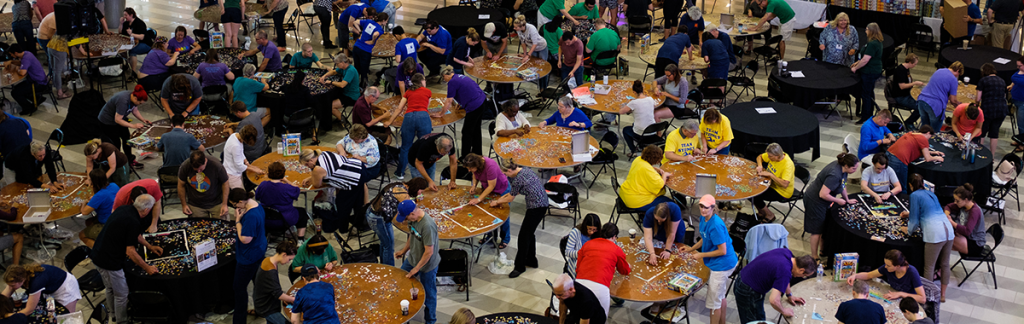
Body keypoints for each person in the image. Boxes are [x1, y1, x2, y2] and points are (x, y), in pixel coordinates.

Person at [90, 194, 162, 323]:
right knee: (122, 294)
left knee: (110, 288)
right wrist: (147, 268)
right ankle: (122, 321)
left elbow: (135, 235)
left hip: (97, 254)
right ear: (146, 210)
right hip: (110, 261)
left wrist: (149, 246)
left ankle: (112, 314)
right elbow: (131, 252)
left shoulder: (124, 209)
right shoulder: (133, 221)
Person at [487, 158, 546, 278]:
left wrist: (497, 202)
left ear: (509, 170)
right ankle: (531, 260)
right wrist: (499, 200)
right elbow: (513, 193)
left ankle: (520, 267)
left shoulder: (518, 179)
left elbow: (510, 198)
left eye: (505, 173)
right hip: (542, 203)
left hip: (536, 207)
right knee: (530, 234)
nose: (504, 175)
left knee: (523, 237)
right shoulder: (525, 170)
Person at [683, 195, 737, 324]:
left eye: (706, 207)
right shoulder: (704, 218)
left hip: (723, 265)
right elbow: (704, 238)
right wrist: (691, 249)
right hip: (720, 262)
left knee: (714, 303)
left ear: (713, 208)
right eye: (701, 206)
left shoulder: (716, 225)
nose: (703, 210)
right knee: (720, 297)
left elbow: (722, 251)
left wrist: (700, 255)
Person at [902, 173, 954, 301]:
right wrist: (908, 214)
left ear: (910, 185)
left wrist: (907, 230)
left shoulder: (914, 195)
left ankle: (928, 296)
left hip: (935, 234)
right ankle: (942, 295)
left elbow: (914, 221)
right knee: (945, 264)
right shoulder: (931, 194)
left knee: (929, 266)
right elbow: (928, 211)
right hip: (948, 230)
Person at [802, 153, 859, 261]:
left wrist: (847, 200)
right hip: (815, 201)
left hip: (823, 201)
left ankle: (823, 249)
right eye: (854, 168)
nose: (855, 170)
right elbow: (823, 194)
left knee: (824, 225)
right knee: (817, 230)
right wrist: (838, 200)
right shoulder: (834, 174)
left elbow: (842, 185)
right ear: (846, 166)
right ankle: (814, 256)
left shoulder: (843, 169)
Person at [734, 248, 813, 323]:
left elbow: (786, 279)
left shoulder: (787, 253)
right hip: (748, 290)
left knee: (759, 318)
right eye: (804, 275)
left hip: (744, 277)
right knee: (755, 321)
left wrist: (789, 295)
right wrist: (784, 311)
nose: (803, 277)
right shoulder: (785, 271)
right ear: (801, 270)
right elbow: (774, 300)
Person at [395, 200, 440, 324]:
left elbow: (429, 252)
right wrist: (404, 251)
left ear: (412, 213)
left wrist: (417, 268)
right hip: (413, 258)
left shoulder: (427, 225)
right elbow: (412, 235)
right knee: (401, 281)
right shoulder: (412, 220)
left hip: (427, 265)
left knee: (429, 295)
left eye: (405, 217)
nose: (405, 220)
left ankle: (431, 320)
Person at [299, 148, 365, 234]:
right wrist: (311, 177)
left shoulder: (317, 168)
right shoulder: (323, 153)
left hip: (353, 179)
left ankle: (343, 230)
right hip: (359, 168)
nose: (308, 167)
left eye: (307, 164)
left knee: (343, 205)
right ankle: (359, 224)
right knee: (357, 202)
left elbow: (317, 184)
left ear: (311, 160)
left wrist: (313, 177)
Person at [367, 178, 429, 266]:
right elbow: (408, 214)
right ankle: (389, 270)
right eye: (420, 192)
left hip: (373, 213)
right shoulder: (404, 195)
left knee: (385, 243)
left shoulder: (399, 184)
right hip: (378, 218)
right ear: (416, 188)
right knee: (388, 246)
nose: (420, 194)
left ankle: (383, 265)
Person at [227, 188, 267, 324]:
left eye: (235, 204)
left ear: (240, 202)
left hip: (249, 256)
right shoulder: (257, 205)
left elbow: (245, 239)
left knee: (238, 288)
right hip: (259, 250)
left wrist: (237, 221)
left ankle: (239, 320)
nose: (235, 207)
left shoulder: (250, 216)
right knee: (258, 283)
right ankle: (261, 310)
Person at [575, 223, 631, 316]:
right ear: (614, 237)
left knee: (579, 316)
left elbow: (578, 266)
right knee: (600, 319)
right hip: (600, 287)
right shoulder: (616, 249)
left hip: (580, 284)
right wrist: (628, 266)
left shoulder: (588, 244)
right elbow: (624, 271)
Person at [385, 73, 432, 179]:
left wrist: (389, 121)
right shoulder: (428, 91)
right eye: (424, 80)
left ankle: (400, 172)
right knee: (424, 145)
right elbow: (426, 107)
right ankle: (425, 172)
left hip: (409, 117)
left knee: (406, 147)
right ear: (421, 81)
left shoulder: (408, 92)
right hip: (423, 117)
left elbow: (399, 108)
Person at [463, 154, 512, 249]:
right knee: (488, 214)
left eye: (470, 168)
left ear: (476, 165)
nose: (469, 170)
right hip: (488, 188)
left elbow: (491, 186)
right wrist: (474, 185)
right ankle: (490, 237)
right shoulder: (476, 166)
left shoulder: (490, 165)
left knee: (502, 215)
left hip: (501, 189)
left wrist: (478, 199)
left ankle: (505, 239)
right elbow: (474, 175)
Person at [845, 249, 927, 304]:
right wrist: (855, 276)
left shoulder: (912, 272)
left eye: (888, 265)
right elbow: (868, 275)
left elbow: (922, 299)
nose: (885, 267)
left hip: (909, 302)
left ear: (897, 266)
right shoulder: (887, 268)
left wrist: (900, 294)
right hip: (893, 298)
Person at [97, 86, 150, 166]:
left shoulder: (133, 98)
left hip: (120, 119)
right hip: (107, 122)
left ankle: (130, 160)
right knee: (115, 143)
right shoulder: (123, 101)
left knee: (127, 139)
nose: (140, 104)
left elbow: (134, 110)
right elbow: (118, 120)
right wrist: (133, 125)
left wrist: (143, 120)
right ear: (136, 98)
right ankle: (117, 164)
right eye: (140, 103)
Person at [441, 66, 488, 157]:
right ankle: (477, 153)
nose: (444, 80)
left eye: (443, 78)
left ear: (445, 75)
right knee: (476, 129)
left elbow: (449, 100)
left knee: (466, 132)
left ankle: (465, 157)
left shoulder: (452, 82)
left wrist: (441, 113)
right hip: (482, 101)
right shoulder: (459, 76)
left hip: (475, 106)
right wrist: (462, 104)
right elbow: (467, 91)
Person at [1, 264, 81, 313]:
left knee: (67, 317)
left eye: (12, 285)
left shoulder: (36, 282)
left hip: (66, 287)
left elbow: (29, 310)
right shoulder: (21, 274)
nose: (10, 288)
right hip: (53, 284)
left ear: (22, 280)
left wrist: (10, 317)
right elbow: (4, 296)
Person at [254, 162, 305, 238]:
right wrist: (287, 180)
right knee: (302, 212)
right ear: (283, 173)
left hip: (265, 218)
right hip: (284, 220)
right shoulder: (286, 188)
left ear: (269, 173)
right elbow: (297, 189)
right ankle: (301, 239)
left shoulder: (263, 185)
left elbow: (257, 197)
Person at [621, 80, 672, 154]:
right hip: (653, 130)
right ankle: (640, 146)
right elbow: (654, 106)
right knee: (635, 124)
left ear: (634, 92)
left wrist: (629, 107)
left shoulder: (633, 103)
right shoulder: (650, 99)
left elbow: (621, 112)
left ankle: (633, 150)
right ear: (643, 90)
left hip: (642, 134)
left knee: (625, 130)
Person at [338, 124, 381, 210]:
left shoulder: (371, 143)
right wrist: (342, 151)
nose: (354, 141)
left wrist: (359, 158)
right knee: (339, 175)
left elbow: (374, 159)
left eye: (356, 140)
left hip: (368, 167)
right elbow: (339, 143)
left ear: (363, 137)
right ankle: (342, 200)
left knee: (355, 180)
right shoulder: (351, 137)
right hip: (352, 164)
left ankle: (362, 205)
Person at [252, 240, 296, 324]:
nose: (288, 262)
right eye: (289, 259)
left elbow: (273, 288)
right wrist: (293, 299)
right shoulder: (270, 271)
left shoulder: (268, 260)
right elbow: (278, 294)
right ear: (284, 255)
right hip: (266, 307)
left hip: (267, 302)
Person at [178, 151, 230, 219]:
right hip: (196, 205)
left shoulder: (216, 165)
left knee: (223, 225)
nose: (198, 172)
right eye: (196, 170)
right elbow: (181, 185)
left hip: (216, 203)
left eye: (201, 169)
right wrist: (184, 205)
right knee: (198, 228)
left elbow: (225, 183)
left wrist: (224, 204)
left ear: (205, 161)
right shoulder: (185, 166)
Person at [620, 145, 672, 212]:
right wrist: (664, 175)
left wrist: (655, 169)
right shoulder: (647, 169)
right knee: (671, 205)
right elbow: (660, 184)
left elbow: (645, 167)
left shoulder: (638, 159)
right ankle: (650, 216)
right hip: (637, 201)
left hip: (626, 193)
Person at [851, 23, 885, 124]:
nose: (865, 31)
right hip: (874, 70)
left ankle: (866, 116)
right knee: (869, 93)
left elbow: (866, 60)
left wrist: (855, 68)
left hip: (870, 72)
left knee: (866, 94)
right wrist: (857, 63)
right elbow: (865, 57)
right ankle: (869, 113)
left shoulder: (873, 44)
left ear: (871, 31)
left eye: (867, 29)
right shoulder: (877, 42)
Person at [753, 143, 795, 223]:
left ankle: (770, 214)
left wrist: (770, 175)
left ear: (777, 155)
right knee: (751, 189)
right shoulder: (774, 156)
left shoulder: (787, 165)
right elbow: (760, 156)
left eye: (770, 156)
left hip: (782, 191)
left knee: (755, 195)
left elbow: (785, 184)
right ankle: (762, 212)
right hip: (770, 184)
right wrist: (760, 166)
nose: (768, 158)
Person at [2, 45, 47, 115]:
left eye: (11, 54)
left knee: (15, 93)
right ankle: (37, 98)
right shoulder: (26, 53)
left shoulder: (26, 58)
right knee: (17, 88)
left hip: (38, 83)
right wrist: (11, 61)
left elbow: (22, 73)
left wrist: (17, 69)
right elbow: (20, 63)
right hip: (38, 79)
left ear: (16, 53)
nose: (11, 55)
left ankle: (28, 108)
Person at [918, 62, 964, 131]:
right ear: (957, 71)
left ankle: (920, 141)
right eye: (958, 74)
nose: (957, 76)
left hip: (922, 100)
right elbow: (953, 100)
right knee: (934, 131)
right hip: (934, 105)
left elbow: (938, 88)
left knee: (924, 128)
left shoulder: (939, 71)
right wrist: (958, 105)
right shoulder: (953, 79)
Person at [78, 169, 118, 248]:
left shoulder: (99, 195)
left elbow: (84, 212)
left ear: (93, 182)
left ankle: (100, 251)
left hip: (107, 224)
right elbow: (108, 197)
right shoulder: (114, 185)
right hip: (116, 218)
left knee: (82, 235)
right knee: (89, 221)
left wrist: (84, 203)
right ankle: (102, 240)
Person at [945, 183, 985, 255]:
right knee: (943, 237)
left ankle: (940, 264)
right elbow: (948, 206)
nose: (955, 202)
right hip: (966, 238)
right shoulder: (963, 205)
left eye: (957, 201)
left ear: (966, 200)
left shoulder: (975, 211)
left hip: (975, 244)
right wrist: (947, 215)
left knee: (943, 239)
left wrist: (951, 222)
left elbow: (967, 231)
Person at [322, 53, 361, 125]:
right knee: (327, 100)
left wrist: (331, 82)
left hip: (351, 96)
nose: (336, 65)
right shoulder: (343, 68)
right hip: (345, 92)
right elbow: (334, 72)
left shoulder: (350, 70)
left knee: (330, 106)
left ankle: (344, 122)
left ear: (342, 62)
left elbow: (342, 85)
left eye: (337, 63)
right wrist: (324, 76)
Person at [975, 63, 1008, 149]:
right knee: (994, 133)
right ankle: (992, 157)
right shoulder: (1002, 80)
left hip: (987, 109)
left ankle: (980, 152)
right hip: (1001, 109)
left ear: (984, 71)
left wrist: (976, 105)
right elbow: (1004, 96)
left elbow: (978, 98)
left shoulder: (983, 80)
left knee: (982, 131)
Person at [513, 14, 550, 88]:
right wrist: (524, 54)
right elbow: (523, 43)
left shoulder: (531, 28)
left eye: (516, 27)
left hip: (541, 47)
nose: (514, 28)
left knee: (542, 67)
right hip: (533, 48)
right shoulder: (519, 30)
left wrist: (528, 55)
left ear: (522, 26)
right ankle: (539, 88)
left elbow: (535, 43)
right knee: (534, 67)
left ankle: (544, 88)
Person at [353, 12, 389, 84]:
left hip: (356, 47)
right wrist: (372, 41)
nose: (387, 22)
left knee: (356, 67)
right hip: (365, 51)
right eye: (387, 20)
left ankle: (354, 83)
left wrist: (360, 32)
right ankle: (363, 85)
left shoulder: (368, 21)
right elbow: (375, 34)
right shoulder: (380, 29)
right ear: (383, 20)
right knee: (364, 70)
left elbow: (355, 22)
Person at [892, 54, 925, 127]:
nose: (915, 66)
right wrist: (914, 83)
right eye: (914, 64)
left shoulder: (906, 69)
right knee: (921, 107)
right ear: (910, 62)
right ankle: (909, 122)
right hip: (900, 97)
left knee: (923, 102)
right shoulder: (900, 70)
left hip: (907, 94)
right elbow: (902, 86)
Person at [121, 8, 154, 75]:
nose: (124, 17)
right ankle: (126, 64)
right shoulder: (126, 23)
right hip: (133, 43)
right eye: (124, 15)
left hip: (145, 43)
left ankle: (133, 72)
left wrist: (131, 34)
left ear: (131, 15)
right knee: (122, 49)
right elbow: (120, 32)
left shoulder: (140, 23)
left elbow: (142, 37)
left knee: (132, 51)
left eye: (126, 15)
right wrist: (120, 24)